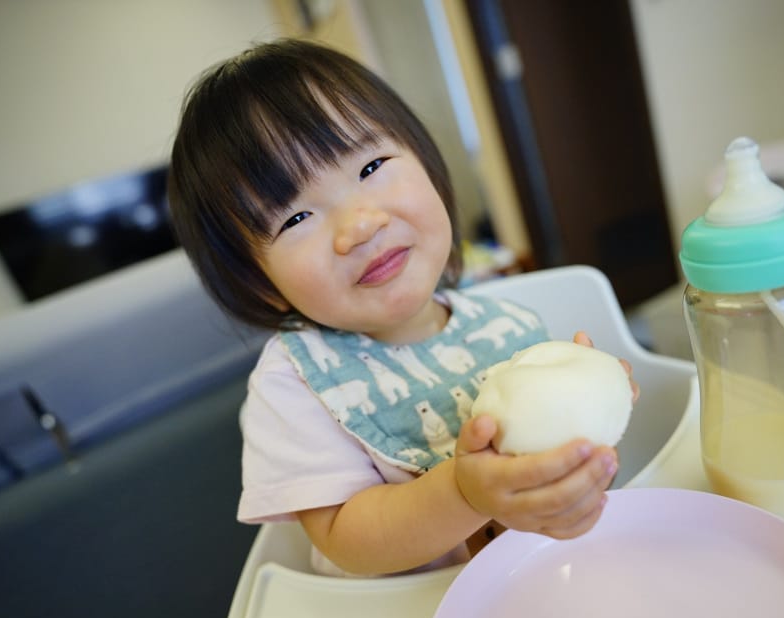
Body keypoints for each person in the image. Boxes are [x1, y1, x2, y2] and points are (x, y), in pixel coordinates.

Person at [168, 39, 629, 577]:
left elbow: (557, 485)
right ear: (262, 283)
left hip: (539, 584)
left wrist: (587, 432)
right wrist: (464, 491)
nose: (360, 226)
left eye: (370, 167)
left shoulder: (507, 327)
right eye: (294, 218)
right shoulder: (294, 386)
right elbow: (347, 539)